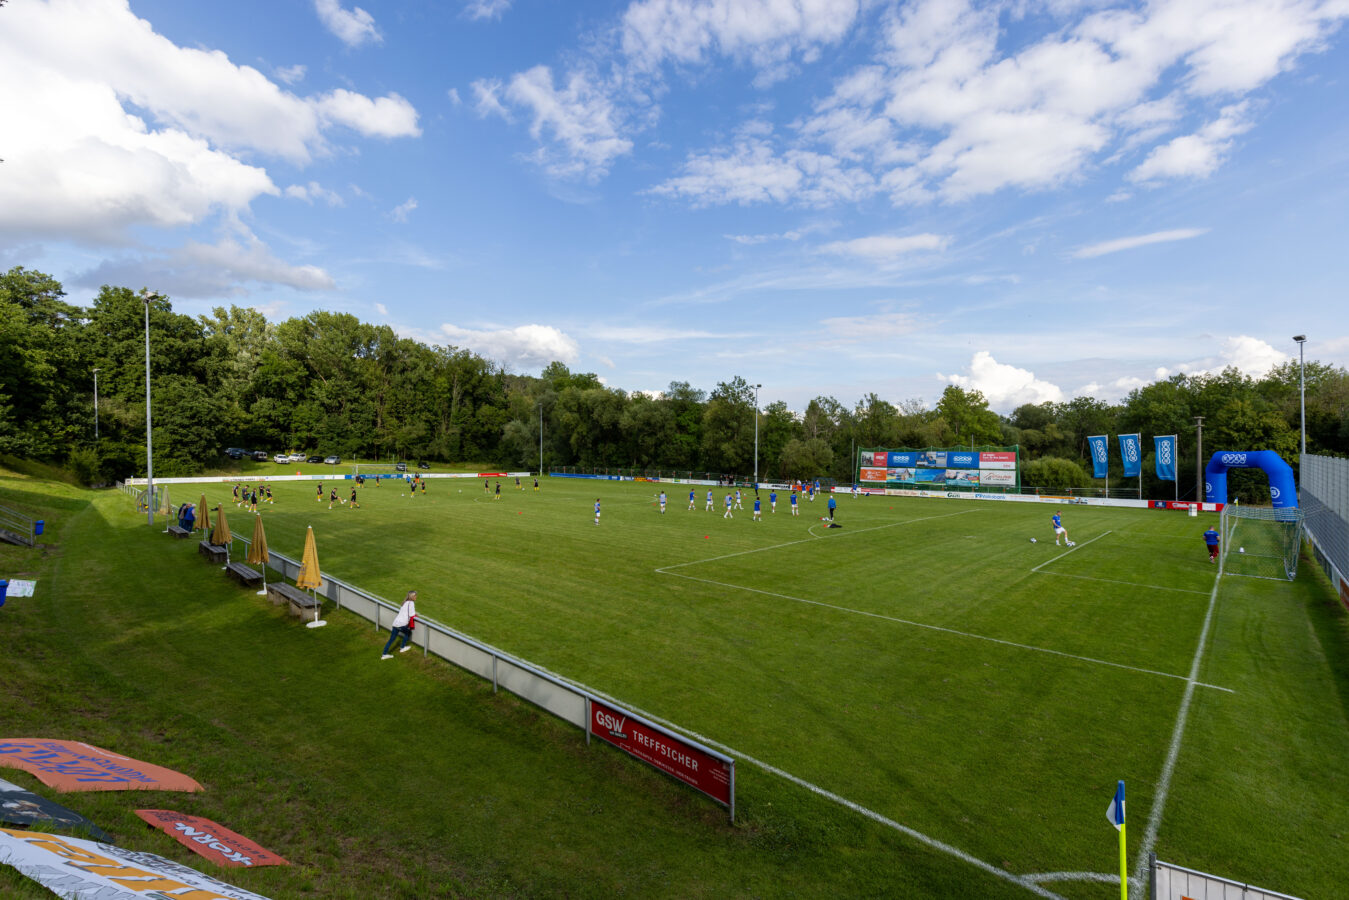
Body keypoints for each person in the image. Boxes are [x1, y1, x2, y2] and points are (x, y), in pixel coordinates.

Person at [380, 591, 417, 659]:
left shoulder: (405, 602)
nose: (416, 597)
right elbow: (412, 614)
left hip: (395, 623)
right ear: (412, 596)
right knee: (408, 633)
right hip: (402, 624)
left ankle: (384, 654)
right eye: (415, 596)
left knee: (391, 639)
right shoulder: (411, 603)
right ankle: (402, 647)